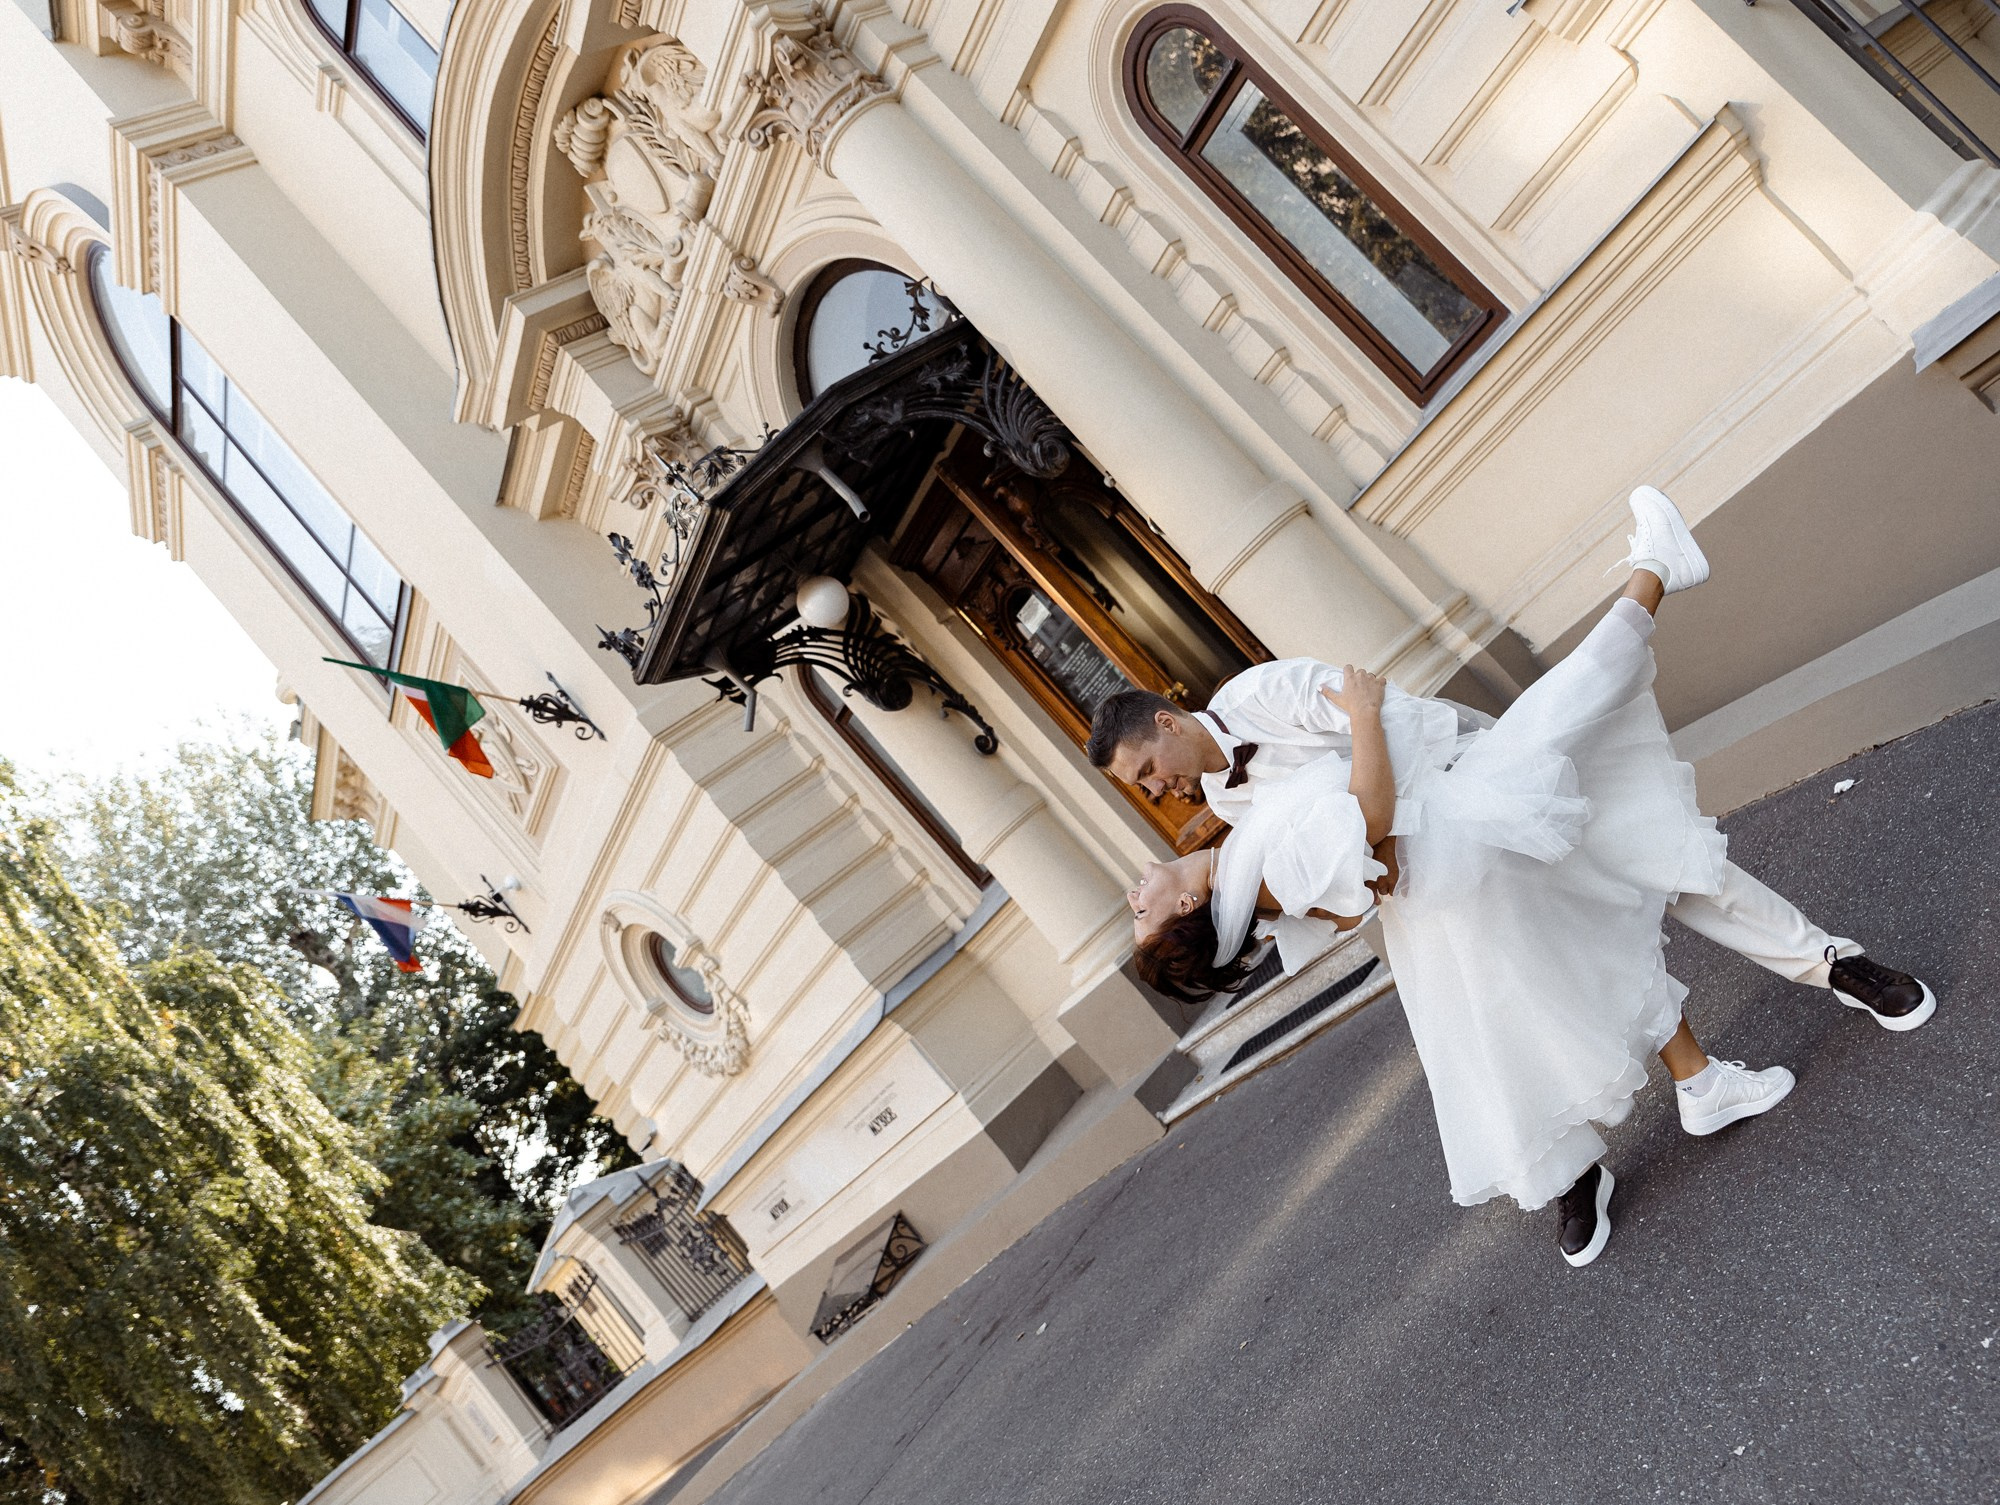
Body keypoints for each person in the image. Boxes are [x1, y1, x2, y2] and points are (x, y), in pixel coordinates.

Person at [1101, 487, 1938, 1266]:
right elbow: (1354, 847)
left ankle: (1832, 965)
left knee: (1662, 858)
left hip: (1477, 790)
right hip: (1444, 873)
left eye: (1147, 769)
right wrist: (1376, 840)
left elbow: (1393, 721)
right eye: (1144, 788)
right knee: (1525, 1005)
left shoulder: (1260, 693)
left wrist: (1417, 811)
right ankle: (1599, 1156)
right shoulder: (1226, 812)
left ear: (1167, 723)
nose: (1159, 792)